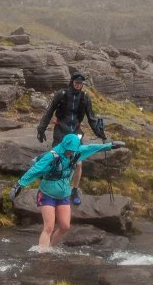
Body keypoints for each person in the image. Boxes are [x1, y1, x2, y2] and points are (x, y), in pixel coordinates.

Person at [10, 133, 125, 251]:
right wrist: (19, 185)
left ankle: (51, 249)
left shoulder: (77, 152)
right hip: (47, 194)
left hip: (64, 195)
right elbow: (35, 170)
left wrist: (110, 145)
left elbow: (92, 148)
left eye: (73, 150)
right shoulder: (52, 156)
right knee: (49, 227)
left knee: (65, 226)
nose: (71, 153)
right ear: (64, 146)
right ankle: (42, 254)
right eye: (69, 150)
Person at [36, 71, 105, 205]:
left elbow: (91, 117)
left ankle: (73, 190)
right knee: (56, 158)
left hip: (76, 132)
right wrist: (41, 128)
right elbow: (49, 111)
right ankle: (49, 187)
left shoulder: (85, 97)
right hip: (61, 130)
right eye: (76, 83)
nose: (78, 85)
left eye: (81, 83)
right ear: (72, 82)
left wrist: (99, 132)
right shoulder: (61, 94)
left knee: (78, 162)